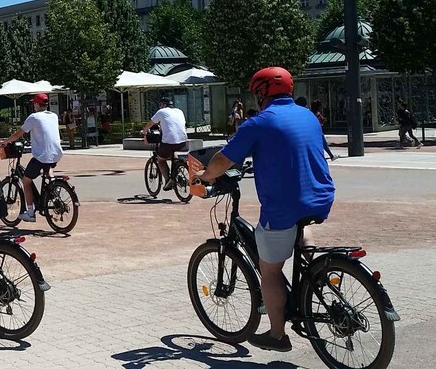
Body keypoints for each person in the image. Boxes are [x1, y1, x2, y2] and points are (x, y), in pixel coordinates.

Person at [196, 67, 335, 352]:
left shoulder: (259, 123)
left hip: (283, 207)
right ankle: (312, 275)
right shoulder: (308, 116)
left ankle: (276, 335)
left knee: (269, 270)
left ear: (261, 94)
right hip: (320, 198)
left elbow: (224, 159)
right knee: (302, 226)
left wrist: (206, 176)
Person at [0, 93, 63, 222]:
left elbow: (19, 133)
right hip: (56, 153)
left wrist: (6, 141)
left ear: (37, 104)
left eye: (34, 103)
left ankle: (30, 213)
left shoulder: (33, 117)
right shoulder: (53, 116)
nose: (33, 105)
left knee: (26, 181)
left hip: (41, 155)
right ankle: (54, 189)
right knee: (48, 167)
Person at [141, 96, 189, 191]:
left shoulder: (161, 112)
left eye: (160, 105)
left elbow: (151, 123)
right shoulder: (179, 111)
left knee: (161, 160)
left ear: (163, 105)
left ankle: (168, 180)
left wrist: (144, 131)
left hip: (169, 142)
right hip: (183, 142)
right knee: (172, 151)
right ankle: (177, 171)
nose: (159, 106)